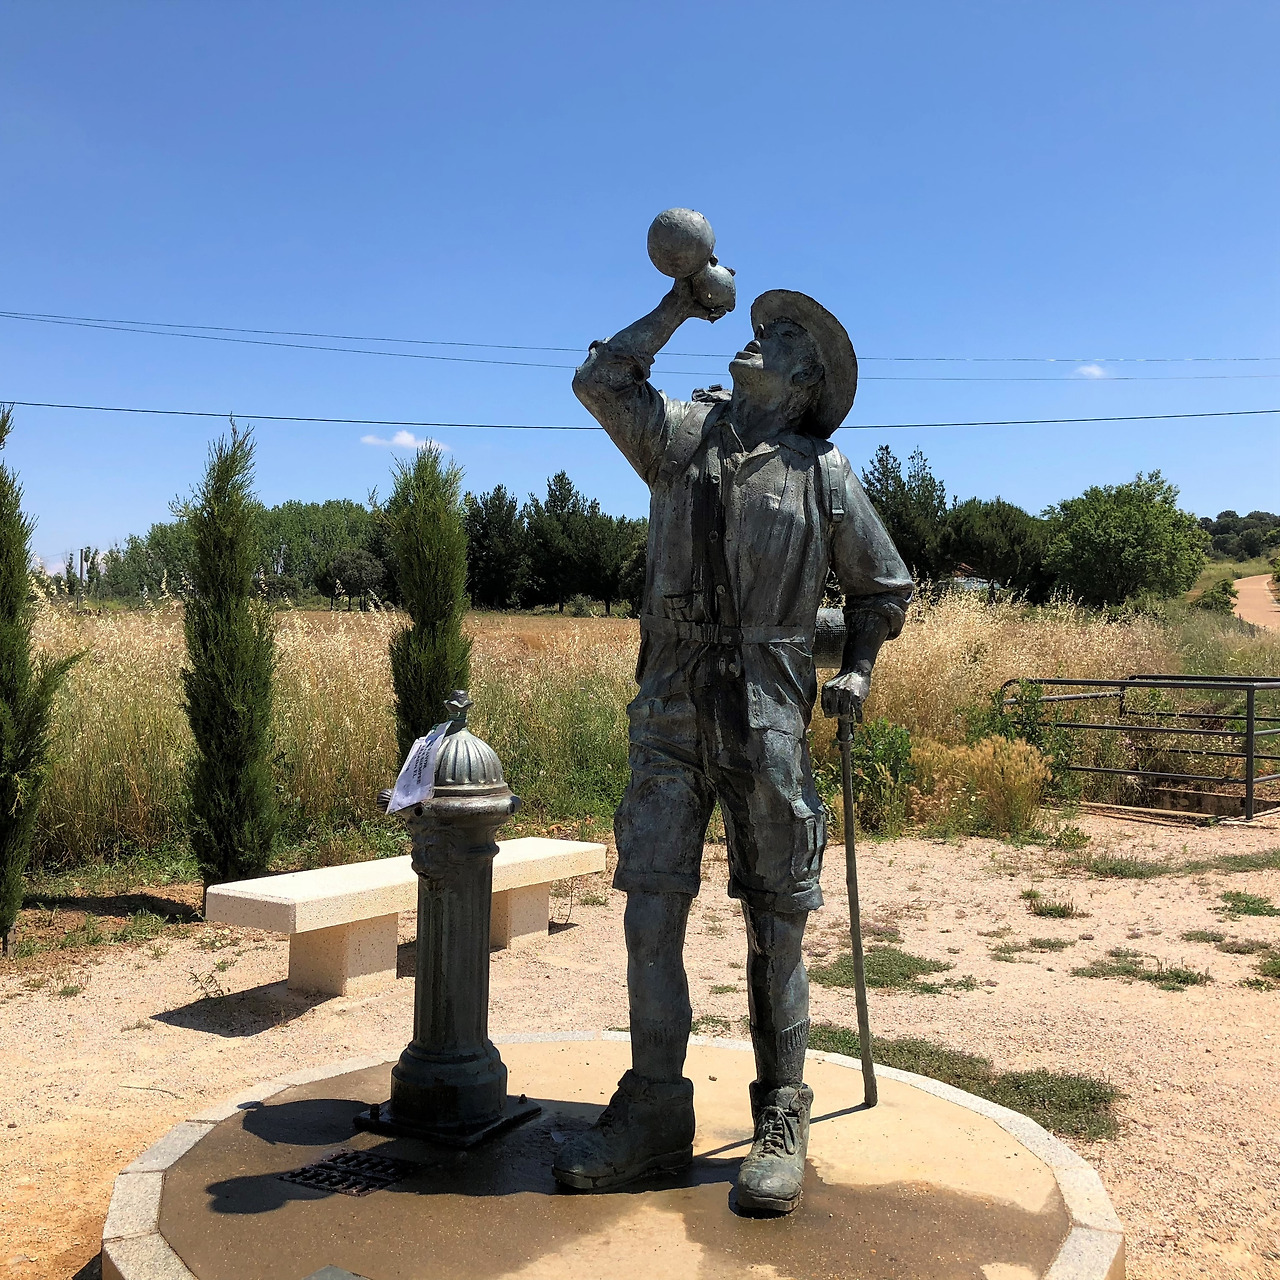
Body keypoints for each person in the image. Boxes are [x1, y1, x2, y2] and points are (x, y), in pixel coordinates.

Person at [551, 274, 912, 1214]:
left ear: (806, 382)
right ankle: (654, 1110)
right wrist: (678, 302)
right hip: (671, 708)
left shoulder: (823, 472)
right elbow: (600, 382)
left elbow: (883, 590)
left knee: (776, 924)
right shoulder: (681, 437)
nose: (761, 334)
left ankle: (781, 1112)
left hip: (769, 715)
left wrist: (859, 668)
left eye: (784, 334)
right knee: (650, 912)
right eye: (763, 325)